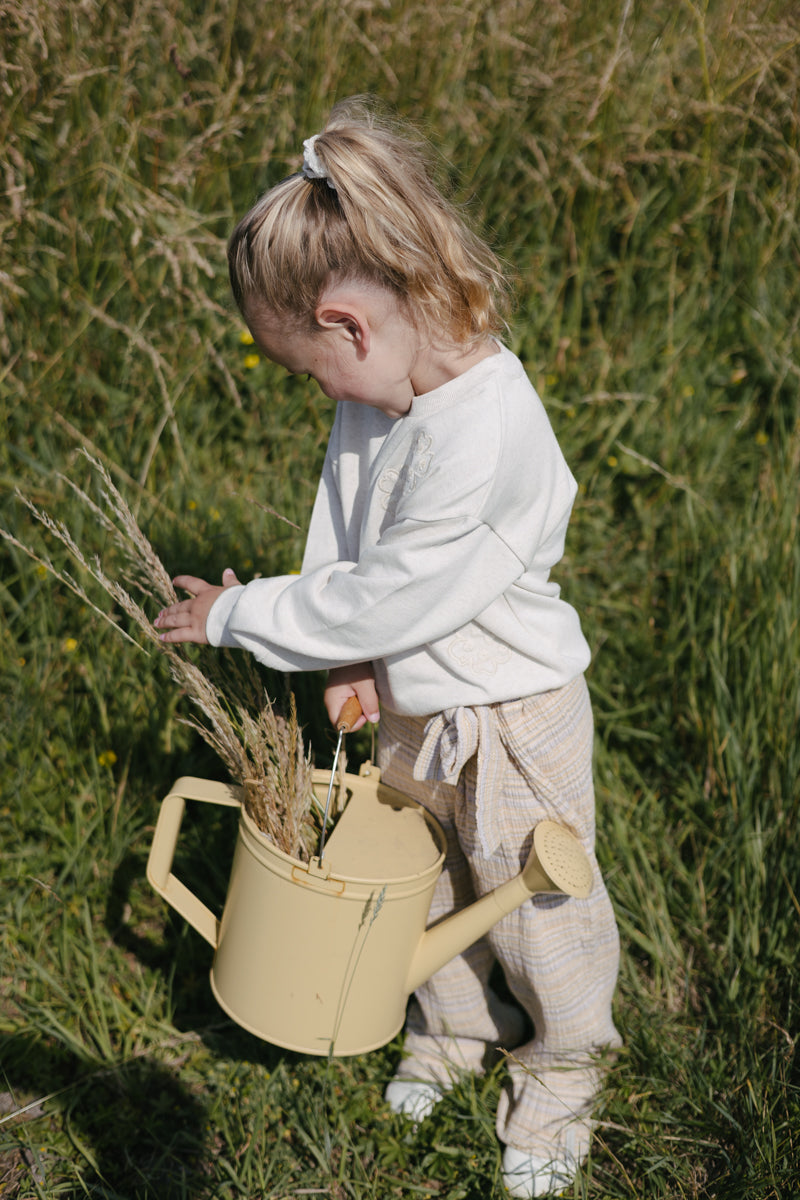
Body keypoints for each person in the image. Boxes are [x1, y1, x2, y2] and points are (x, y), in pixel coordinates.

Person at [154, 98, 621, 1199]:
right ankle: (453, 1027)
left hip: (509, 714)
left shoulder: (488, 435)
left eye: (308, 371)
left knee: (534, 903)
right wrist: (348, 655)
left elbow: (395, 590)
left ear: (347, 327)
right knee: (421, 880)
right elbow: (352, 536)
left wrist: (241, 616)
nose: (319, 396)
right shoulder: (386, 389)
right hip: (417, 701)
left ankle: (561, 1067)